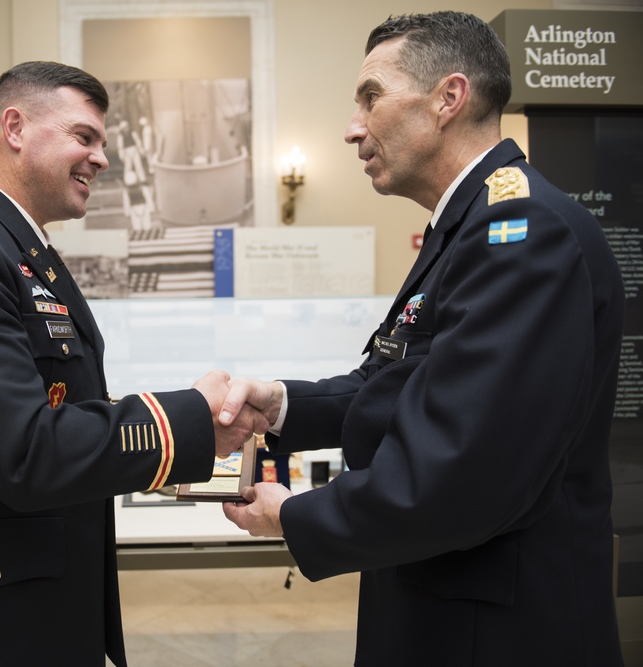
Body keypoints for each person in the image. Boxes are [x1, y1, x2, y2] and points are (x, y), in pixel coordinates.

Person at [219, 12, 625, 666]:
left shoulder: (520, 235)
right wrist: (282, 405)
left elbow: (464, 470)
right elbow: (403, 387)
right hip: (446, 604)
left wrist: (294, 517)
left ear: (448, 98)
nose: (353, 128)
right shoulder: (469, 227)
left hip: (493, 632)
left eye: (371, 97)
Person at [0, 61, 265, 667]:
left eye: (101, 142)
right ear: (15, 128)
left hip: (38, 597)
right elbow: (24, 448)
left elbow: (65, 405)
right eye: (84, 137)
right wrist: (186, 419)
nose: (101, 158)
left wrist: (189, 426)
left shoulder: (23, 250)